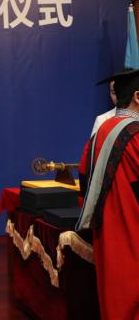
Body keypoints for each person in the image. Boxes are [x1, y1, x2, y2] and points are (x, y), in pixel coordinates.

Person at [76, 68, 139, 320]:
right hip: (133, 230)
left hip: (107, 231)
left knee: (114, 299)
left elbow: (83, 179)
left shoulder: (100, 132)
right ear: (137, 96)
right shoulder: (136, 135)